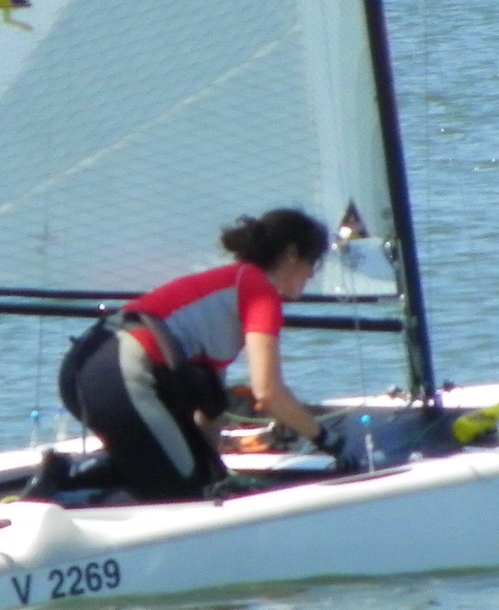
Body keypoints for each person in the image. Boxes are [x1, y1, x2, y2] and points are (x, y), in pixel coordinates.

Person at [57, 208, 345, 502]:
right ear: (292, 254)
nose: (312, 274)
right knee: (184, 492)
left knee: (200, 477)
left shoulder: (226, 291)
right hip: (116, 372)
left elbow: (208, 409)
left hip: (86, 369)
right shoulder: (259, 290)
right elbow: (269, 392)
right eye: (313, 262)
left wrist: (215, 469)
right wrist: (329, 440)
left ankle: (62, 478)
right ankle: (63, 479)